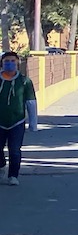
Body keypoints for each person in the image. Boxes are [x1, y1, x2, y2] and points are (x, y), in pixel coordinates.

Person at [0, 52, 39, 186]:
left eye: (12, 61)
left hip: (17, 121)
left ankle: (13, 175)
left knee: (15, 150)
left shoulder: (24, 81)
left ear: (17, 63)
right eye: (6, 61)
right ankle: (1, 166)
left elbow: (31, 102)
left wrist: (33, 124)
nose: (9, 64)